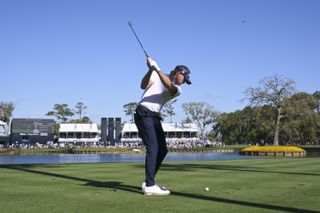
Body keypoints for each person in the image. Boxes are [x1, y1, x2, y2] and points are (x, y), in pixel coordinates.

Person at [134, 57, 191, 195]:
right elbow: (143, 86)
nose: (184, 82)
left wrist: (157, 68)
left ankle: (149, 180)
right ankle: (149, 185)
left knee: (163, 149)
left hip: (154, 116)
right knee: (153, 147)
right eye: (185, 78)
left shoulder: (178, 89)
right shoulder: (156, 74)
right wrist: (150, 70)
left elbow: (169, 87)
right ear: (179, 72)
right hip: (143, 112)